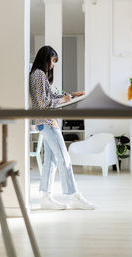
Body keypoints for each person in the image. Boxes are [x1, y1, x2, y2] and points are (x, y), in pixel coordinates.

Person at [29, 45, 95, 210]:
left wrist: (72, 95)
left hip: (46, 121)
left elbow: (51, 97)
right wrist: (63, 101)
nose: (52, 65)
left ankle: (45, 198)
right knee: (64, 159)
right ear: (45, 58)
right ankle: (74, 196)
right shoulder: (38, 74)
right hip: (47, 122)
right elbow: (43, 102)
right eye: (52, 61)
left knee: (50, 161)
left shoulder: (40, 75)